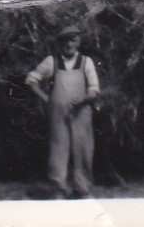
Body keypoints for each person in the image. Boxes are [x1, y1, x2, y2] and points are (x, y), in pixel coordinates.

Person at [26, 25, 100, 199]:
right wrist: (46, 99)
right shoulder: (51, 61)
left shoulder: (86, 62)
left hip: (81, 112)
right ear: (60, 43)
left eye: (73, 40)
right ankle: (58, 188)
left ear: (78, 42)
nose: (69, 44)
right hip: (58, 114)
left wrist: (84, 99)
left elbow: (94, 89)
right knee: (58, 149)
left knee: (82, 149)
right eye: (65, 40)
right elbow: (31, 80)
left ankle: (82, 189)